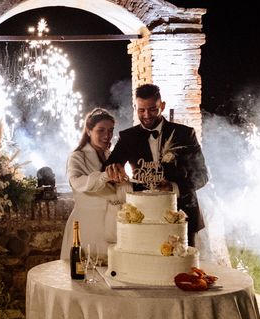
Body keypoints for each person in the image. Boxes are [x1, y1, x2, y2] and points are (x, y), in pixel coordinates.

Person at [104, 84, 209, 246]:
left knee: (182, 267)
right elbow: (108, 167)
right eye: (141, 110)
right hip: (144, 216)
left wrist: (173, 187)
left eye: (153, 109)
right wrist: (112, 170)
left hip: (181, 214)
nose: (147, 115)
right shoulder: (128, 137)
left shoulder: (185, 134)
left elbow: (202, 175)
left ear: (163, 106)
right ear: (135, 107)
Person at [60, 108, 130, 262]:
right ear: (89, 130)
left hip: (111, 226)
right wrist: (105, 176)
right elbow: (77, 182)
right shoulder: (77, 156)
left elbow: (118, 191)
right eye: (101, 130)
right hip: (87, 225)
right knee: (85, 275)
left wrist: (124, 181)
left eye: (111, 131)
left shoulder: (111, 156)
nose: (107, 135)